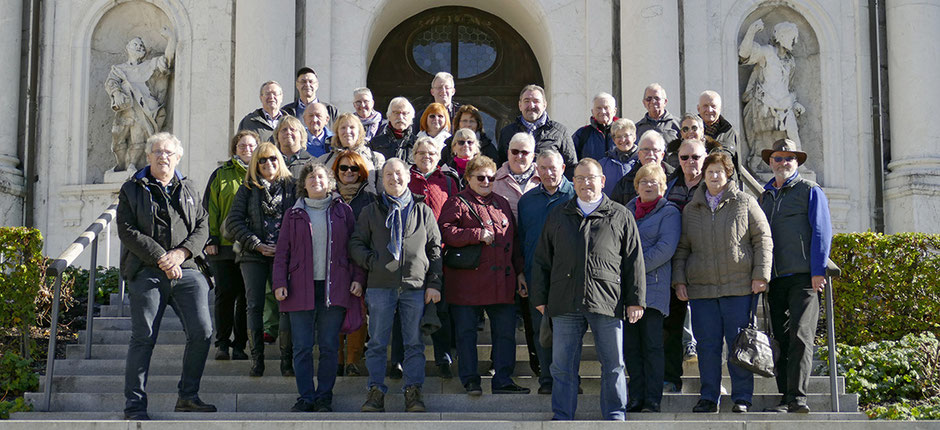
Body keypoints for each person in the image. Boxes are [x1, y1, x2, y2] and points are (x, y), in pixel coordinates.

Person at [530, 158, 646, 421]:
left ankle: (615, 415)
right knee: (562, 366)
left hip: (607, 301)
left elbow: (633, 261)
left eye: (590, 177)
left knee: (614, 364)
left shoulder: (620, 215)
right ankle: (562, 416)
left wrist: (635, 300)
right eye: (579, 178)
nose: (584, 183)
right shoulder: (559, 214)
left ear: (602, 181)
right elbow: (541, 260)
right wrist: (539, 297)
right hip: (564, 301)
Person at [118, 132, 215, 420]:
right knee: (143, 336)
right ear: (148, 156)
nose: (163, 157)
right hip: (147, 270)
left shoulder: (189, 187)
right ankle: (134, 405)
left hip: (186, 270)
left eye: (169, 153)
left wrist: (181, 254)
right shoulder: (133, 188)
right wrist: (162, 257)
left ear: (178, 157)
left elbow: (203, 225)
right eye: (157, 152)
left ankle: (188, 396)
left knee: (203, 332)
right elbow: (127, 230)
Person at [672, 152, 772, 413]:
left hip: (738, 287)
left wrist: (760, 275)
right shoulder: (691, 209)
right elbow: (682, 248)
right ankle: (709, 396)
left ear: (729, 174)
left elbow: (762, 238)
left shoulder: (745, 202)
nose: (715, 176)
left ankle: (741, 398)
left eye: (719, 171)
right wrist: (680, 280)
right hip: (702, 290)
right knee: (707, 347)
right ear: (703, 175)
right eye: (710, 171)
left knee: (739, 345)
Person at [349, 158, 443, 413]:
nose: (394, 178)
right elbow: (356, 243)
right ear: (382, 180)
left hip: (415, 286)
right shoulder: (370, 211)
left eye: (398, 173)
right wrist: (373, 262)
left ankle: (413, 392)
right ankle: (375, 391)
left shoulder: (423, 210)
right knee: (378, 342)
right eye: (388, 174)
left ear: (408, 177)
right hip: (380, 285)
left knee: (414, 343)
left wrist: (434, 283)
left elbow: (435, 250)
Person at [273, 162, 364, 413]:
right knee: (301, 347)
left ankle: (324, 396)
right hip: (298, 288)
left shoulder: (343, 211)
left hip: (334, 287)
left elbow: (354, 249)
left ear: (330, 182)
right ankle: (306, 397)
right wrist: (279, 282)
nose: (316, 180)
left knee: (328, 346)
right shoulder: (292, 213)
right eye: (311, 177)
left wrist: (358, 278)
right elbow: (282, 253)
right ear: (303, 184)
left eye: (321, 176)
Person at [438, 155, 530, 396]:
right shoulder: (457, 202)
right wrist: (476, 234)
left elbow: (515, 241)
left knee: (505, 333)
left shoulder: (501, 202)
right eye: (480, 177)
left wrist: (520, 272)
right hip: (467, 282)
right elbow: (445, 232)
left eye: (491, 177)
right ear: (468, 178)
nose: (486, 181)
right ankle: (470, 380)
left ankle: (503, 379)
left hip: (503, 282)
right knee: (467, 334)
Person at [759, 139, 832, 414]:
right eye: (778, 158)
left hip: (803, 278)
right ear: (770, 162)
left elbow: (822, 232)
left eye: (789, 158)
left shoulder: (810, 190)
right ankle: (783, 396)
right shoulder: (764, 196)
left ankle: (798, 398)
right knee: (781, 338)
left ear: (797, 162)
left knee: (801, 336)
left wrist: (817, 271)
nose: (783, 163)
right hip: (775, 278)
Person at [224, 142, 297, 378]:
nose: (269, 164)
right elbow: (233, 223)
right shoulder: (247, 188)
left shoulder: (292, 187)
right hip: (253, 255)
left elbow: (300, 219)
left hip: (284, 255)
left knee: (285, 306)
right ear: (256, 164)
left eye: (273, 159)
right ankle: (257, 360)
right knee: (253, 305)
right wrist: (257, 244)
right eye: (263, 160)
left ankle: (287, 362)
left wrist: (283, 246)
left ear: (280, 161)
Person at [622, 164, 681, 413]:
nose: (648, 185)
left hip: (654, 290)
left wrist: (631, 268)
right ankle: (636, 397)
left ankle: (653, 398)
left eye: (654, 182)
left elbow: (665, 249)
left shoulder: (669, 212)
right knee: (631, 347)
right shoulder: (625, 211)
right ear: (636, 185)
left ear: (663, 186)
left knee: (652, 346)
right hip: (626, 291)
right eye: (644, 181)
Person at [517, 149, 575, 395]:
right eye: (543, 168)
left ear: (563, 168)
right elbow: (521, 239)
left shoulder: (575, 195)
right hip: (536, 275)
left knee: (570, 330)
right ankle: (547, 379)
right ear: (536, 171)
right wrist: (521, 272)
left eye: (553, 168)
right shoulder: (526, 201)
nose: (549, 173)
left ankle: (570, 379)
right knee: (542, 329)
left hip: (570, 277)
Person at [404, 137, 460, 378]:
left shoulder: (447, 181)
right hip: (411, 255)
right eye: (421, 153)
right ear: (414, 156)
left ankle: (443, 357)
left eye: (431, 153)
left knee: (442, 307)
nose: (426, 156)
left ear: (439, 157)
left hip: (440, 252)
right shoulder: (406, 179)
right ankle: (403, 359)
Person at [203, 130, 257, 362]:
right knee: (225, 293)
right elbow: (210, 208)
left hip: (250, 245)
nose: (247, 149)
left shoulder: (262, 173)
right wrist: (211, 238)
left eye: (251, 146)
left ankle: (240, 346)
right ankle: (222, 343)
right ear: (235, 149)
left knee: (246, 296)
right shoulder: (221, 174)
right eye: (242, 146)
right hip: (224, 246)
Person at [661, 139, 707, 393]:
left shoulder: (713, 185)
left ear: (705, 157)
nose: (691, 162)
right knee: (672, 326)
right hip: (675, 264)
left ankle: (712, 382)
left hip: (706, 264)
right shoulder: (669, 187)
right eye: (685, 157)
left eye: (696, 157)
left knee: (709, 329)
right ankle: (671, 378)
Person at [331, 151, 378, 376]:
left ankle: (353, 361)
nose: (348, 172)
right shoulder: (326, 196)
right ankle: (337, 360)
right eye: (343, 168)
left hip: (361, 261)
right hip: (333, 263)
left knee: (358, 312)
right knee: (334, 311)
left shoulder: (370, 196)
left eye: (354, 168)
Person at [105, 27, 175, 172]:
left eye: (141, 46)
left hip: (143, 109)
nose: (139, 47)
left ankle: (132, 165)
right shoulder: (119, 69)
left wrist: (170, 40)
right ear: (127, 48)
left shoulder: (149, 65)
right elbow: (111, 82)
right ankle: (121, 165)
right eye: (135, 45)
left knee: (138, 140)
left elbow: (167, 60)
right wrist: (117, 93)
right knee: (118, 140)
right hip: (125, 109)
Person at [740, 19, 806, 172]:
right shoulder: (767, 52)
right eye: (791, 37)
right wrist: (751, 32)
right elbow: (744, 55)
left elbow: (789, 86)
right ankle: (758, 164)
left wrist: (795, 103)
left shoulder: (791, 61)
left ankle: (799, 164)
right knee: (764, 139)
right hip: (765, 103)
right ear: (781, 36)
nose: (794, 41)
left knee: (792, 132)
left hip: (785, 104)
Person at [498, 85, 577, 178]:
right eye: (526, 101)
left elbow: (571, 166)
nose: (531, 106)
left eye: (536, 101)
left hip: (549, 190)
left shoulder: (560, 132)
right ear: (520, 105)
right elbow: (501, 164)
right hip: (514, 189)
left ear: (544, 105)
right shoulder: (507, 132)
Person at [318, 113, 386, 190]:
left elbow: (381, 190)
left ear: (359, 132)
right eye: (343, 128)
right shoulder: (324, 161)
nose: (347, 131)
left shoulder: (376, 158)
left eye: (352, 127)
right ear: (337, 132)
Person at [609, 130, 675, 205]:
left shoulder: (675, 177)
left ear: (662, 155)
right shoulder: (626, 182)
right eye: (646, 150)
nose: (650, 154)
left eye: (655, 150)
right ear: (639, 154)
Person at [492, 132, 541, 218]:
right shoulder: (494, 180)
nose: (519, 156)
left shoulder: (543, 178)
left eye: (524, 152)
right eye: (515, 151)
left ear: (532, 156)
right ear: (508, 153)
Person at [572, 92, 618, 160]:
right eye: (598, 108)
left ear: (614, 111)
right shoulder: (582, 134)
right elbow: (572, 161)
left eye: (606, 108)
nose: (603, 111)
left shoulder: (623, 133)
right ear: (592, 112)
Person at [599, 118, 639, 196]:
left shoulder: (643, 162)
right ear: (614, 140)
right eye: (619, 136)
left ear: (634, 137)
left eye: (626, 135)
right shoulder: (603, 165)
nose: (623, 140)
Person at [371, 97, 418, 162]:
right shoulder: (375, 143)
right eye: (396, 113)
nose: (400, 117)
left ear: (411, 117)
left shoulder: (418, 143)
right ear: (389, 116)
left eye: (404, 113)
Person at [697, 90, 739, 158]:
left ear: (720, 109)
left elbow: (736, 164)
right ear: (698, 108)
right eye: (705, 106)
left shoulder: (730, 133)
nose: (709, 110)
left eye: (713, 106)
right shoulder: (688, 130)